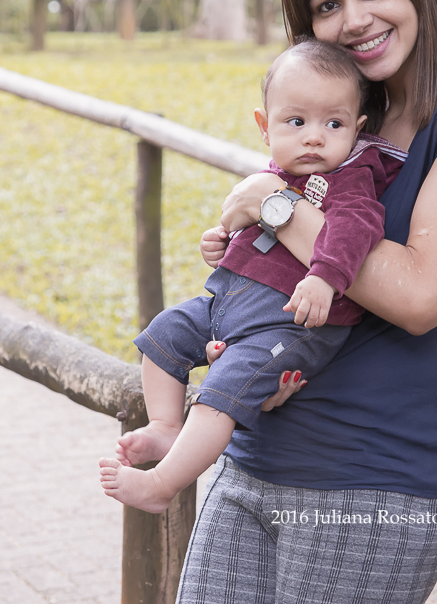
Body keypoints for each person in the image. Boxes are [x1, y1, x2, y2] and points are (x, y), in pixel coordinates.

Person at [173, 0, 437, 604]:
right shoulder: (334, 120)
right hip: (253, 449)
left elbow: (419, 295)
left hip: (369, 478)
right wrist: (245, 342)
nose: (355, 20)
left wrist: (271, 203)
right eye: (327, 5)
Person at [98, 39, 406, 514]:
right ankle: (165, 426)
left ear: (357, 128)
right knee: (165, 333)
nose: (314, 137)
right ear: (265, 127)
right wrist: (220, 243)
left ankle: (162, 484)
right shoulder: (278, 173)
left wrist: (324, 278)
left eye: (334, 124)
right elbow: (257, 235)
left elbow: (355, 229)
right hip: (230, 304)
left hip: (290, 322)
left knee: (222, 389)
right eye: (296, 122)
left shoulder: (350, 177)